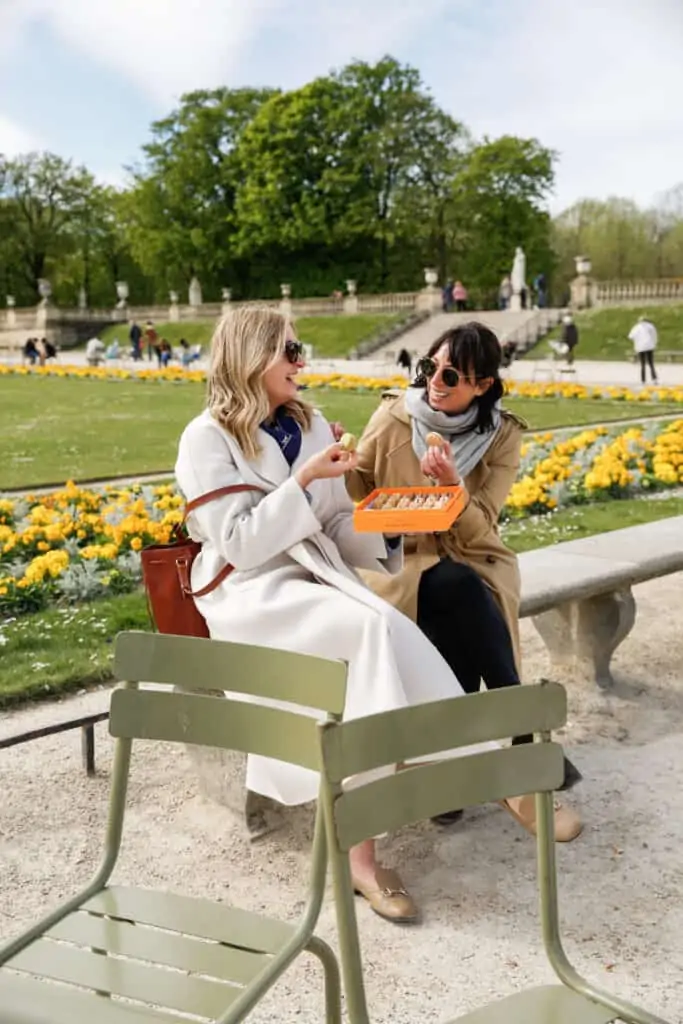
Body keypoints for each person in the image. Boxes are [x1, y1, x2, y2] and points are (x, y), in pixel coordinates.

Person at [175, 307, 498, 925]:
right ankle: (378, 836)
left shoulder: (311, 422)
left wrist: (405, 518)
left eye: (301, 348)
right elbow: (240, 544)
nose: (303, 361)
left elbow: (335, 525)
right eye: (290, 351)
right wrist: (301, 482)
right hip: (248, 591)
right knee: (374, 627)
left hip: (313, 577)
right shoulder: (205, 437)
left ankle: (439, 772)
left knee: (381, 630)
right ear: (251, 356)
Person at [344, 322, 582, 840]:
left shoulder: (501, 435)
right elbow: (358, 490)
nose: (435, 381)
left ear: (483, 386)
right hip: (401, 556)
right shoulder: (392, 414)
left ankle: (445, 772)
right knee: (453, 590)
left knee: (459, 595)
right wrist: (338, 459)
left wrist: (453, 489)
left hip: (473, 553)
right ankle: (521, 735)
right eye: (430, 367)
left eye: (451, 375)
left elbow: (485, 521)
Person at [629, 316, 658, 383]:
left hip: (640, 347)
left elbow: (630, 336)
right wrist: (654, 343)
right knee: (651, 363)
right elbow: (654, 335)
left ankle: (643, 380)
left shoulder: (636, 327)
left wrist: (637, 339)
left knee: (642, 364)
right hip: (649, 346)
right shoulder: (650, 326)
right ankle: (654, 379)